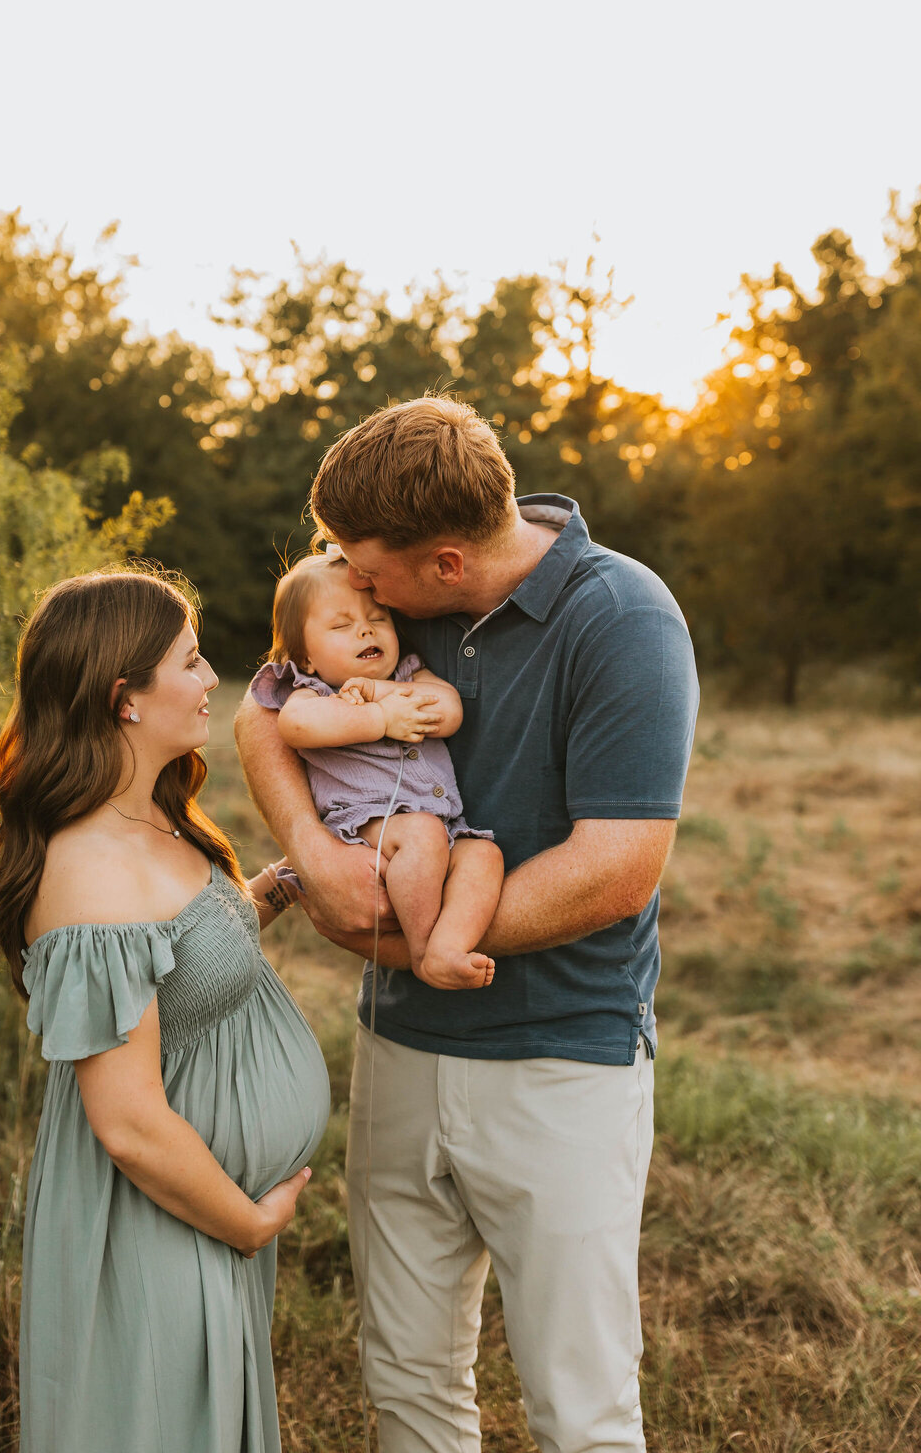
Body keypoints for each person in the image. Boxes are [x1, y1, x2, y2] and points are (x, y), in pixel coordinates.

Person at [234, 398, 699, 1453]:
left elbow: (617, 866)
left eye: (369, 570)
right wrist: (312, 851)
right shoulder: (390, 599)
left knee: (579, 1410)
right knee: (409, 1389)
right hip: (401, 1045)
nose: (354, 584)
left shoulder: (621, 618)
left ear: (445, 564)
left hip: (561, 1056)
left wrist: (404, 938)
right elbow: (262, 714)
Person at [0, 568, 330, 1453]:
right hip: (155, 1218)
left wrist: (278, 888)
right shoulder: (89, 868)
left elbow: (178, 957)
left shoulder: (150, 819)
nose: (215, 677)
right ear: (123, 696)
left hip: (196, 1212)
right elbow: (129, 1122)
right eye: (192, 659)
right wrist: (247, 1221)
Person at [249, 547, 503, 988]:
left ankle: (448, 943)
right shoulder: (311, 693)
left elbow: (449, 710)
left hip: (442, 825)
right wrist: (379, 719)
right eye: (342, 625)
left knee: (484, 855)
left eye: (377, 619)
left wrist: (381, 692)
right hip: (364, 825)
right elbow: (296, 726)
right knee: (422, 835)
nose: (364, 629)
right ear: (306, 657)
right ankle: (421, 950)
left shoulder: (410, 674)